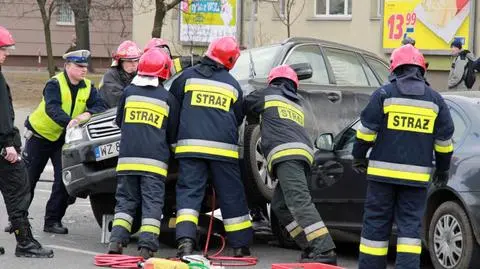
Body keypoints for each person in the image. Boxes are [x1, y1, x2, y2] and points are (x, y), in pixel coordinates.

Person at [353, 44, 454, 269]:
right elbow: (444, 143)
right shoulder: (435, 101)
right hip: (416, 182)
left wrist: (358, 157)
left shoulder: (383, 94)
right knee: (409, 232)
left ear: (395, 68)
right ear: (421, 70)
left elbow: (365, 132)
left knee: (375, 230)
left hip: (381, 180)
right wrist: (443, 169)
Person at [244, 65, 337, 265]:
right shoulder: (296, 103)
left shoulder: (267, 95)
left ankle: (325, 249)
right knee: (280, 206)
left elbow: (245, 104)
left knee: (300, 202)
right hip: (303, 156)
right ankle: (309, 245)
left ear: (272, 81)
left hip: (287, 156)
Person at [170, 36, 253, 258]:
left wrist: (174, 141)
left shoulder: (186, 78)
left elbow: (173, 110)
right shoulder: (233, 85)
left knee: (189, 194)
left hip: (190, 149)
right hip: (223, 151)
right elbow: (237, 117)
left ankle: (186, 243)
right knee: (231, 195)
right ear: (231, 60)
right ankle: (240, 246)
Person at [23, 49, 107, 234]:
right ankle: (18, 219)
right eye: (79, 66)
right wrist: (70, 121)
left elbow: (100, 105)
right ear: (67, 66)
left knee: (63, 180)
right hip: (40, 136)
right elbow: (52, 108)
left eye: (85, 66)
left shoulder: (88, 86)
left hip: (63, 139)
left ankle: (52, 220)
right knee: (28, 179)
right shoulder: (54, 83)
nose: (83, 70)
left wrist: (87, 114)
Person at [107, 48, 179, 259]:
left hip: (127, 161)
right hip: (154, 164)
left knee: (125, 202)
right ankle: (146, 247)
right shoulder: (167, 98)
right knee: (152, 204)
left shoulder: (128, 92)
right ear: (163, 70)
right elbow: (172, 135)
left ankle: (116, 241)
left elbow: (120, 122)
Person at [0, 25, 53, 258]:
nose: (6, 54)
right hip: (3, 146)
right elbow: (2, 113)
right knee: (19, 190)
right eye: (3, 49)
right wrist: (7, 144)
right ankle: (25, 242)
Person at [99, 40, 142, 108]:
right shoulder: (111, 76)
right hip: (109, 115)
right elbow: (117, 101)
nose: (134, 64)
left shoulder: (140, 75)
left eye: (136, 60)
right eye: (129, 61)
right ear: (120, 62)